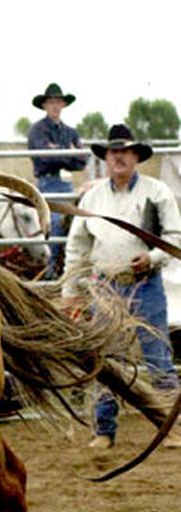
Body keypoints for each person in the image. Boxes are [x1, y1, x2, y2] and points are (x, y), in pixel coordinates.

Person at [62, 124, 181, 449]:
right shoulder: (92, 197)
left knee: (157, 357)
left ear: (135, 157)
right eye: (113, 151)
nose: (118, 156)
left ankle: (170, 427)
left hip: (145, 284)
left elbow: (174, 237)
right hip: (105, 287)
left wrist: (154, 257)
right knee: (108, 361)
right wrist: (71, 290)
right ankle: (103, 431)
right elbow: (77, 246)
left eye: (124, 151)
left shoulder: (157, 193)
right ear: (106, 157)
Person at [28, 83, 88, 278]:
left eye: (58, 102)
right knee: (54, 225)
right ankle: (52, 273)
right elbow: (44, 158)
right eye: (51, 102)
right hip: (48, 183)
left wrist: (58, 152)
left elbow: (81, 161)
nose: (55, 106)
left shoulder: (71, 131)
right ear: (45, 105)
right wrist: (68, 153)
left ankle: (71, 272)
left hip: (67, 185)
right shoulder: (38, 130)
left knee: (74, 223)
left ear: (63, 105)